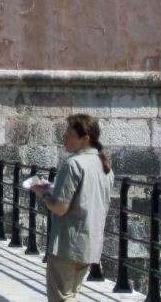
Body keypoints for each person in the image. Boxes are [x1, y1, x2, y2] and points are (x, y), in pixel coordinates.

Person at [31, 113, 115, 302]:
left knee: (61, 297)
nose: (64, 137)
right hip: (89, 242)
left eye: (69, 134)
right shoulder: (104, 166)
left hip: (67, 243)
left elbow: (60, 208)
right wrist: (54, 189)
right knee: (71, 294)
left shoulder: (73, 164)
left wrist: (42, 192)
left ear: (84, 138)